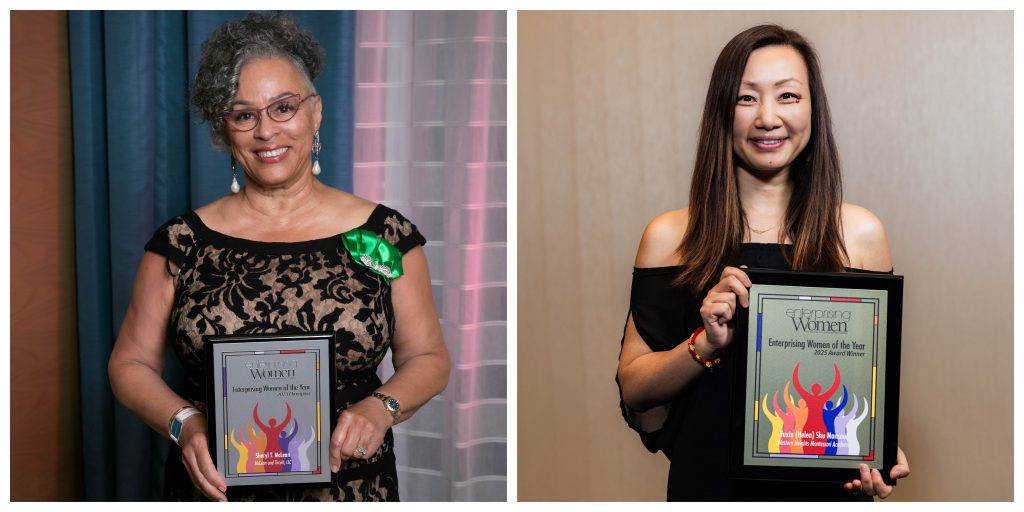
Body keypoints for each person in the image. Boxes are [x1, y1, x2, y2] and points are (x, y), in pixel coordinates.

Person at [107, 13, 450, 501]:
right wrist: (186, 423)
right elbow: (130, 363)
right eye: (244, 114)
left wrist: (382, 406)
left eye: (283, 107)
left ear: (316, 111)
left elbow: (429, 358)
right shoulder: (183, 242)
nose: (266, 131)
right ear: (225, 130)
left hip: (352, 488)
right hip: (215, 491)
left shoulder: (382, 237)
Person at [615, 24, 909, 501]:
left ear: (813, 110)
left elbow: (865, 386)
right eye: (747, 98)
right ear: (721, 111)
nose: (768, 118)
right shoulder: (670, 237)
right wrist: (705, 343)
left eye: (788, 96)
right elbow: (635, 390)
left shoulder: (860, 235)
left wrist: (876, 446)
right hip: (708, 490)